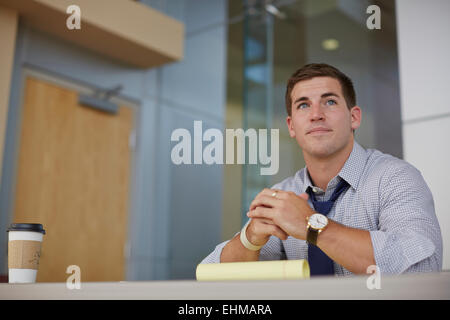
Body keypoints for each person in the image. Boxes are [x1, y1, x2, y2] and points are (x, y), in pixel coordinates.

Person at [200, 63, 442, 275]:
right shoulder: (284, 195)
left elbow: (422, 267)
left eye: (330, 101)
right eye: (303, 105)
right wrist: (249, 238)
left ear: (354, 117)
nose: (316, 114)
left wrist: (312, 225)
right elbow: (212, 274)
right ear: (291, 126)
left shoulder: (396, 178)